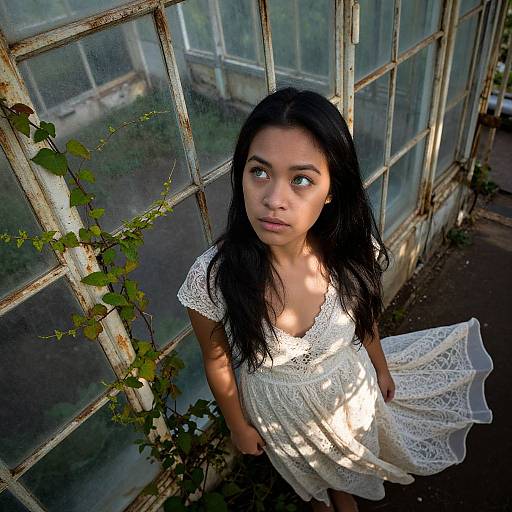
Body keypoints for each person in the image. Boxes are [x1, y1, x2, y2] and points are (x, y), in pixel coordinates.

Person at [176, 87, 494, 511]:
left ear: (330, 191)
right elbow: (215, 360)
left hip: (348, 389)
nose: (273, 199)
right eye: (259, 172)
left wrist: (380, 367)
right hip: (280, 415)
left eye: (301, 179)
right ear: (242, 175)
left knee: (349, 462)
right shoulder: (212, 278)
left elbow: (365, 318)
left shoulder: (346, 252)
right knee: (313, 482)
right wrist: (237, 426)